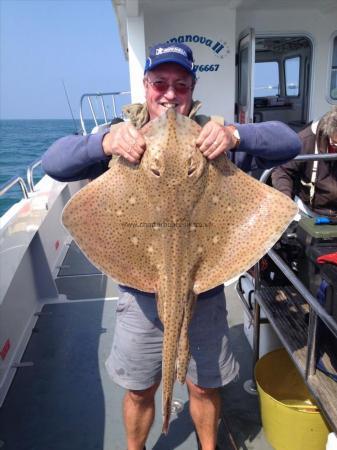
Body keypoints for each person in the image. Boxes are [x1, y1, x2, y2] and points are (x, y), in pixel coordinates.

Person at [42, 42, 300, 450]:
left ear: (192, 89)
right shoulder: (121, 135)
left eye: (180, 85)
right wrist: (105, 143)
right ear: (146, 86)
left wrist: (235, 134)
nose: (169, 94)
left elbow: (289, 143)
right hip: (139, 291)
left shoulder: (214, 137)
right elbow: (53, 163)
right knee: (140, 389)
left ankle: (208, 446)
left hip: (206, 289)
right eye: (160, 82)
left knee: (203, 387)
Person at [272, 107, 337, 217]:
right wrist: (285, 200)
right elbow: (282, 171)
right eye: (335, 143)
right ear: (329, 132)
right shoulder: (304, 140)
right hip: (310, 210)